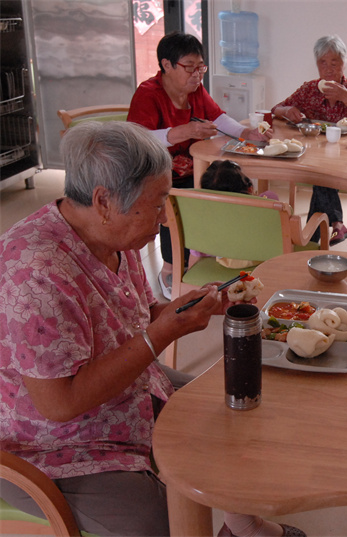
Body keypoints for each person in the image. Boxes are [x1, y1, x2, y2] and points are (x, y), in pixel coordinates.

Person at [0, 122, 304, 537]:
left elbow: (143, 312)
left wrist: (203, 306)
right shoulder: (36, 269)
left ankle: (242, 522)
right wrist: (164, 333)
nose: (163, 218)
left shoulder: (111, 239)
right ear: (104, 201)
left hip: (126, 392)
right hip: (51, 441)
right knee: (163, 524)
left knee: (236, 407)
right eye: (157, 204)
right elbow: (59, 403)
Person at [128, 31, 271, 300]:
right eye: (189, 68)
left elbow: (218, 117)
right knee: (177, 207)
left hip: (192, 168)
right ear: (166, 65)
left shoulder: (195, 91)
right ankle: (170, 270)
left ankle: (208, 253)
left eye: (200, 67)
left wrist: (246, 133)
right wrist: (185, 131)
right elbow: (139, 138)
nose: (197, 75)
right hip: (156, 172)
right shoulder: (148, 94)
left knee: (219, 189)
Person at [272, 35, 347, 245]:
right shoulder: (309, 89)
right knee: (321, 173)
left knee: (321, 175)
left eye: (334, 63)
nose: (328, 69)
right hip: (312, 154)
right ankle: (330, 229)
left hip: (345, 156)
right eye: (322, 63)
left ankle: (314, 235)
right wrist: (288, 110)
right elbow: (276, 109)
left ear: (344, 64)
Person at [189, 159, 279, 270]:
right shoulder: (269, 201)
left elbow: (196, 251)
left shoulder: (206, 220)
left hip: (224, 263)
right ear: (249, 188)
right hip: (264, 262)